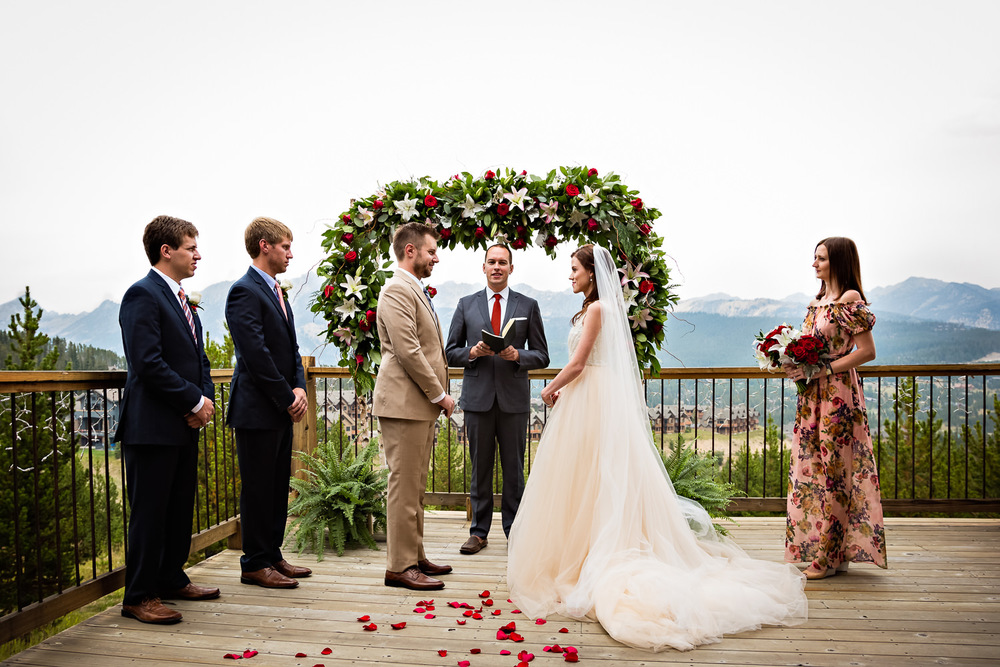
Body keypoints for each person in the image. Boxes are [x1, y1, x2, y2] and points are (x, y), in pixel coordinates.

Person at [507, 244, 808, 652]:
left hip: (589, 395)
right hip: (590, 396)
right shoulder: (595, 309)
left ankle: (586, 556)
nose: (570, 276)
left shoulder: (597, 311)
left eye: (574, 269)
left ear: (592, 275)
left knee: (590, 473)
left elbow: (578, 363)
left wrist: (551, 388)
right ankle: (579, 552)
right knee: (589, 475)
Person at [117, 215, 220, 624]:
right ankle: (139, 596)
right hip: (152, 427)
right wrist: (193, 401)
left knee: (179, 508)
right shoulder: (141, 295)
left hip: (181, 425)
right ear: (167, 250)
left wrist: (205, 399)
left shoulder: (180, 298)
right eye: (191, 247)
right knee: (150, 513)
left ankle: (172, 578)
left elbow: (200, 357)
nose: (198, 255)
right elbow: (147, 362)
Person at [782, 237, 887, 579]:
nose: (814, 264)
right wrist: (793, 363)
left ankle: (830, 557)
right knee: (814, 468)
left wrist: (826, 368)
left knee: (836, 474)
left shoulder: (849, 300)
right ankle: (831, 549)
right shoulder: (817, 301)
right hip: (812, 395)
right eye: (814, 258)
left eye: (821, 258)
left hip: (838, 396)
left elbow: (867, 351)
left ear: (838, 262)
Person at [445, 244, 549, 554]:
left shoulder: (528, 305)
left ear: (511, 269)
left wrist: (519, 355)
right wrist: (472, 353)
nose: (497, 267)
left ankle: (515, 532)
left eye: (503, 262)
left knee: (514, 470)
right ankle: (478, 532)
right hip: (477, 401)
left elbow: (542, 355)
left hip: (514, 401)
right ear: (483, 267)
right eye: (492, 261)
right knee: (480, 470)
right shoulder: (466, 304)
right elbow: (450, 352)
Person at [226, 217, 312, 589]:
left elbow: (290, 350)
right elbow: (255, 355)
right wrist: (284, 396)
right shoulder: (244, 291)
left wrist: (300, 388)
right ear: (265, 246)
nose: (291, 254)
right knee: (258, 488)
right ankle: (254, 563)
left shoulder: (277, 291)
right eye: (285, 247)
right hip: (257, 410)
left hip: (280, 407)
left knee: (278, 485)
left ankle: (273, 554)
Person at [373, 222, 456, 591]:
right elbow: (408, 350)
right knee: (403, 485)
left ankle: (415, 554)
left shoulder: (414, 289)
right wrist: (440, 394)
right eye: (431, 251)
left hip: (417, 405)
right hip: (405, 403)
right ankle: (399, 566)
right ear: (411, 251)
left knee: (416, 486)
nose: (436, 257)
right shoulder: (396, 290)